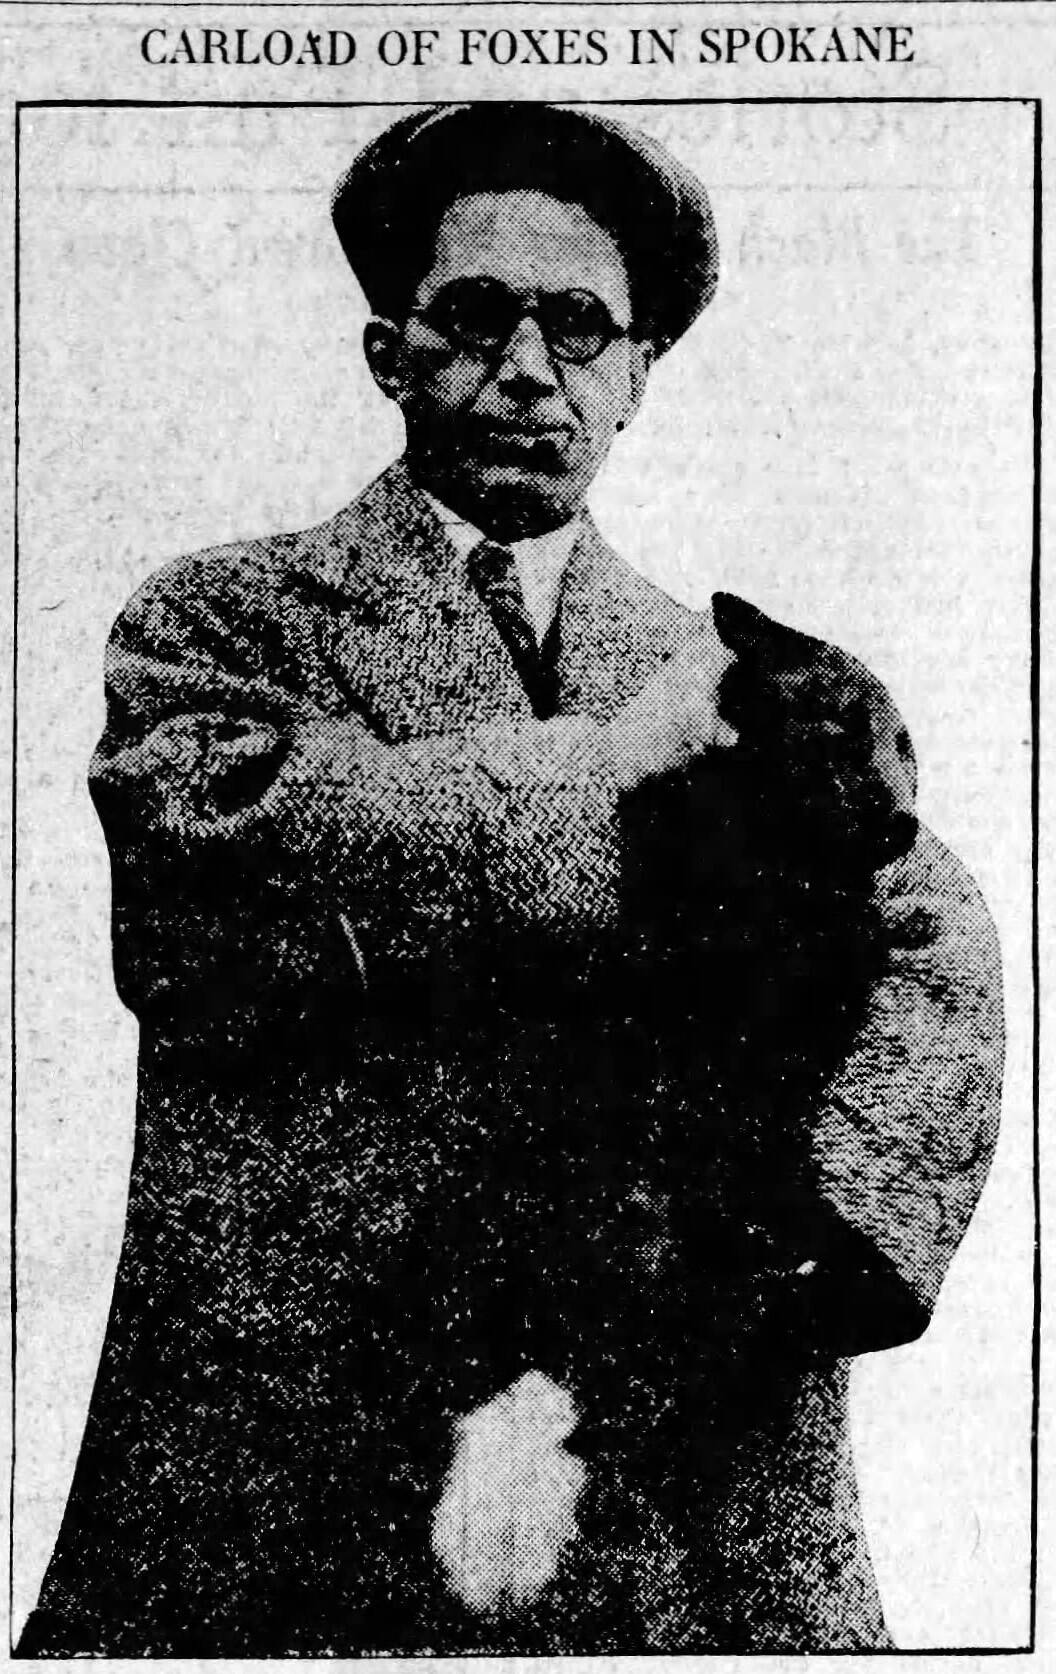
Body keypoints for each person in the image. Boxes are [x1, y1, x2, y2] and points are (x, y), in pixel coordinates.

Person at [18, 102, 1003, 1657]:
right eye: (475, 318)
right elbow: (217, 873)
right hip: (298, 1447)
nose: (527, 369)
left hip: (673, 1467)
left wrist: (827, 1243)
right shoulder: (220, 623)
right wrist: (611, 771)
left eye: (579, 327)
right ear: (388, 352)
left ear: (635, 376)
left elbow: (932, 929)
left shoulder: (727, 672)